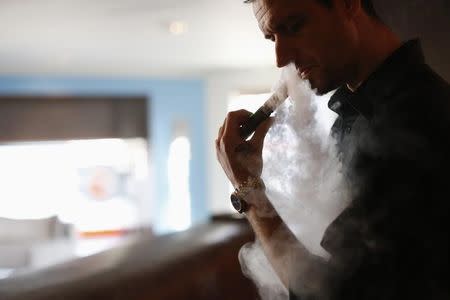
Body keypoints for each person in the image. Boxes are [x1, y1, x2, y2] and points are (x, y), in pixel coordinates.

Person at [215, 0, 450, 299]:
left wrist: (248, 189)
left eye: (294, 25)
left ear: (348, 4)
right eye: (273, 37)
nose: (280, 57)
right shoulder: (357, 114)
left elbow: (328, 293)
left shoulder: (413, 123)